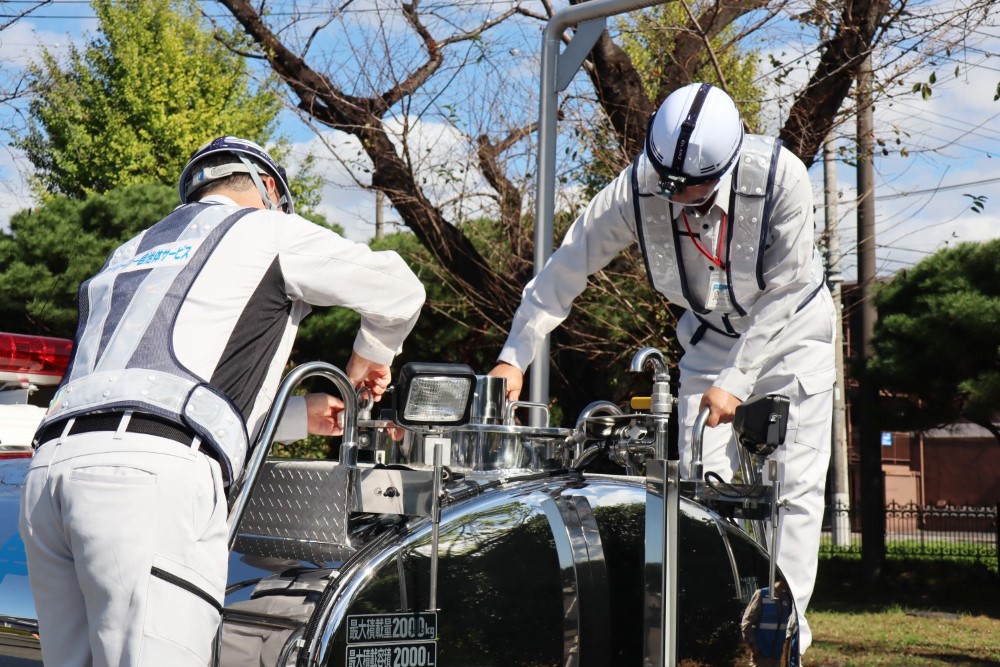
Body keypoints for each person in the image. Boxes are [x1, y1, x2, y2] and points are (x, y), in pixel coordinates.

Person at [18, 136, 426, 666]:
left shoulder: (131, 251)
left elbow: (157, 390)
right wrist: (365, 363)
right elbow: (398, 288)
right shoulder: (267, 228)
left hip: (49, 474)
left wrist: (304, 415)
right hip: (145, 487)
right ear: (270, 189)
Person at [489, 83, 835, 660]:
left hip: (792, 338)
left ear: (727, 165)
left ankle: (781, 636)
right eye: (668, 183)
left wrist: (738, 382)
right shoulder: (636, 187)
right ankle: (719, 627)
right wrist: (513, 355)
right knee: (702, 488)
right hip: (707, 341)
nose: (677, 197)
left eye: (693, 187)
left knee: (792, 486)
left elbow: (790, 289)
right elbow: (566, 266)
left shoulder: (783, 178)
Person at [741, 579, 798, 667]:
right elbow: (747, 622)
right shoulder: (762, 594)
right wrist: (753, 645)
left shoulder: (785, 599)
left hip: (776, 656)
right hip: (761, 655)